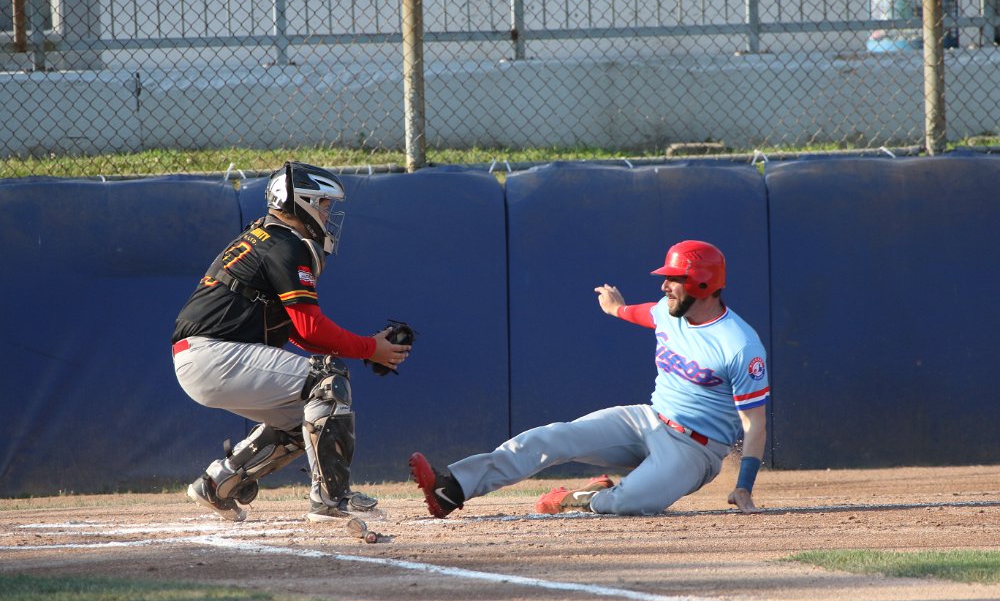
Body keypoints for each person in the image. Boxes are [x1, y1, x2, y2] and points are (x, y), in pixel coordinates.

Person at [409, 239, 768, 517]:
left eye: (674, 278)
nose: (664, 286)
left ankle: (579, 498)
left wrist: (744, 486)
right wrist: (616, 308)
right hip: (648, 419)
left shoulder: (739, 345)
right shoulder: (668, 312)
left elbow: (754, 424)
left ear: (703, 283)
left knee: (627, 503)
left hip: (695, 450)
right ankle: (452, 488)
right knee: (554, 437)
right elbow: (645, 313)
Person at [171, 161, 412, 523]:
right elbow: (311, 329)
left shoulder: (266, 236)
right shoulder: (285, 244)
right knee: (326, 382)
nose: (328, 214)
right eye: (324, 204)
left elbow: (296, 331)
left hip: (203, 357)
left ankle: (218, 483)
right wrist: (369, 348)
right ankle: (331, 500)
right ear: (301, 202)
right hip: (214, 354)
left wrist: (366, 348)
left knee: (308, 421)